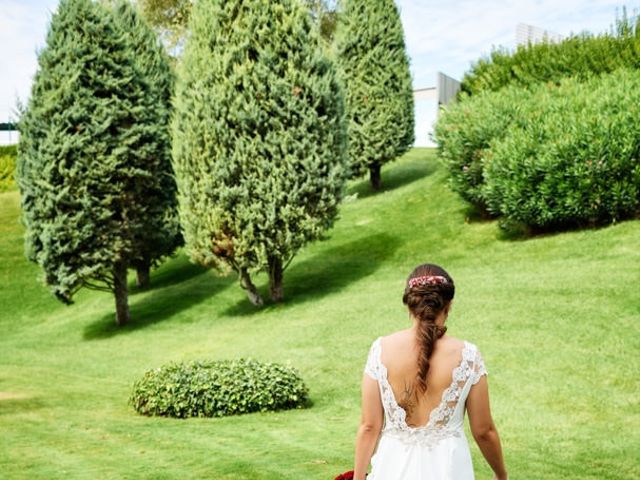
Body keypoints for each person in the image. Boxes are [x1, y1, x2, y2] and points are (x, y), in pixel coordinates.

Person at [353, 263, 507, 480]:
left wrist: (358, 478)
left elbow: (369, 427)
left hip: (393, 467)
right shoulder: (468, 356)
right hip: (448, 469)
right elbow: (483, 431)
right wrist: (501, 475)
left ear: (409, 305)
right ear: (449, 305)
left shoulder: (381, 350)